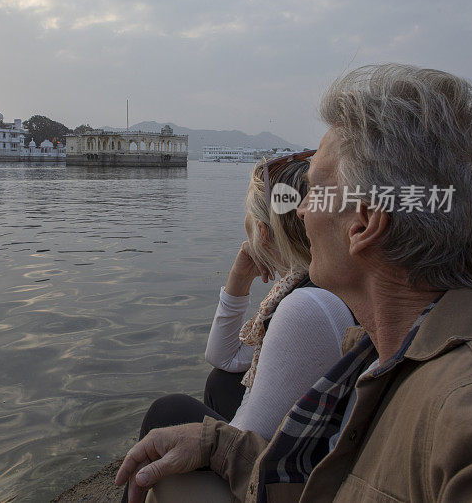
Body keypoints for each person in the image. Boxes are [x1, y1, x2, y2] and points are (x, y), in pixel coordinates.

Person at [115, 63, 472, 502]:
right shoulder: (384, 348)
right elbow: (336, 473)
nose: (301, 212)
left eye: (314, 192)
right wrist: (217, 446)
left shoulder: (467, 408)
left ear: (364, 224)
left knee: (169, 418)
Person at [122, 155, 356, 502]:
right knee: (222, 381)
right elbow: (222, 357)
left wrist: (202, 443)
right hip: (308, 452)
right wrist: (238, 280)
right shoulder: (312, 288)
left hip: (273, 478)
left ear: (263, 230)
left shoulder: (305, 307)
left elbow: (244, 440)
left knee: (166, 412)